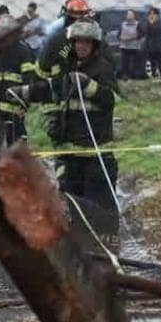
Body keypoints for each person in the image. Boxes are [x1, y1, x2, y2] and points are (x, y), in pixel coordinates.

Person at [33, 18, 119, 212]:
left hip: (96, 155)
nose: (81, 45)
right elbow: (51, 90)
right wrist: (23, 94)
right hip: (69, 155)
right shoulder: (66, 67)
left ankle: (106, 240)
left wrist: (88, 85)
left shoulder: (103, 68)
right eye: (77, 41)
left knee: (100, 208)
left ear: (94, 45)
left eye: (86, 42)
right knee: (72, 206)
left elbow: (113, 99)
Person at [0, 7, 33, 143]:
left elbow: (29, 81)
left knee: (17, 142)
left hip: (14, 109)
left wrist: (24, 105)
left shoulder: (23, 51)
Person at [142, 7, 161, 79]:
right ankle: (153, 75)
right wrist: (149, 24)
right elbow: (145, 32)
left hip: (159, 46)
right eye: (150, 14)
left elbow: (157, 32)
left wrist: (152, 24)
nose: (152, 15)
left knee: (159, 61)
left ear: (157, 15)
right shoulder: (147, 23)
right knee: (152, 62)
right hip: (150, 46)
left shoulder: (160, 23)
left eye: (153, 14)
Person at [117, 10, 143, 80]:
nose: (129, 16)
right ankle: (125, 76)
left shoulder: (138, 24)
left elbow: (141, 34)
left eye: (130, 14)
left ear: (134, 16)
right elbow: (118, 35)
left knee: (134, 63)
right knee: (124, 63)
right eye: (128, 14)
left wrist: (132, 38)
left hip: (134, 47)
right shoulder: (123, 24)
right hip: (124, 47)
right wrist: (121, 38)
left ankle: (134, 77)